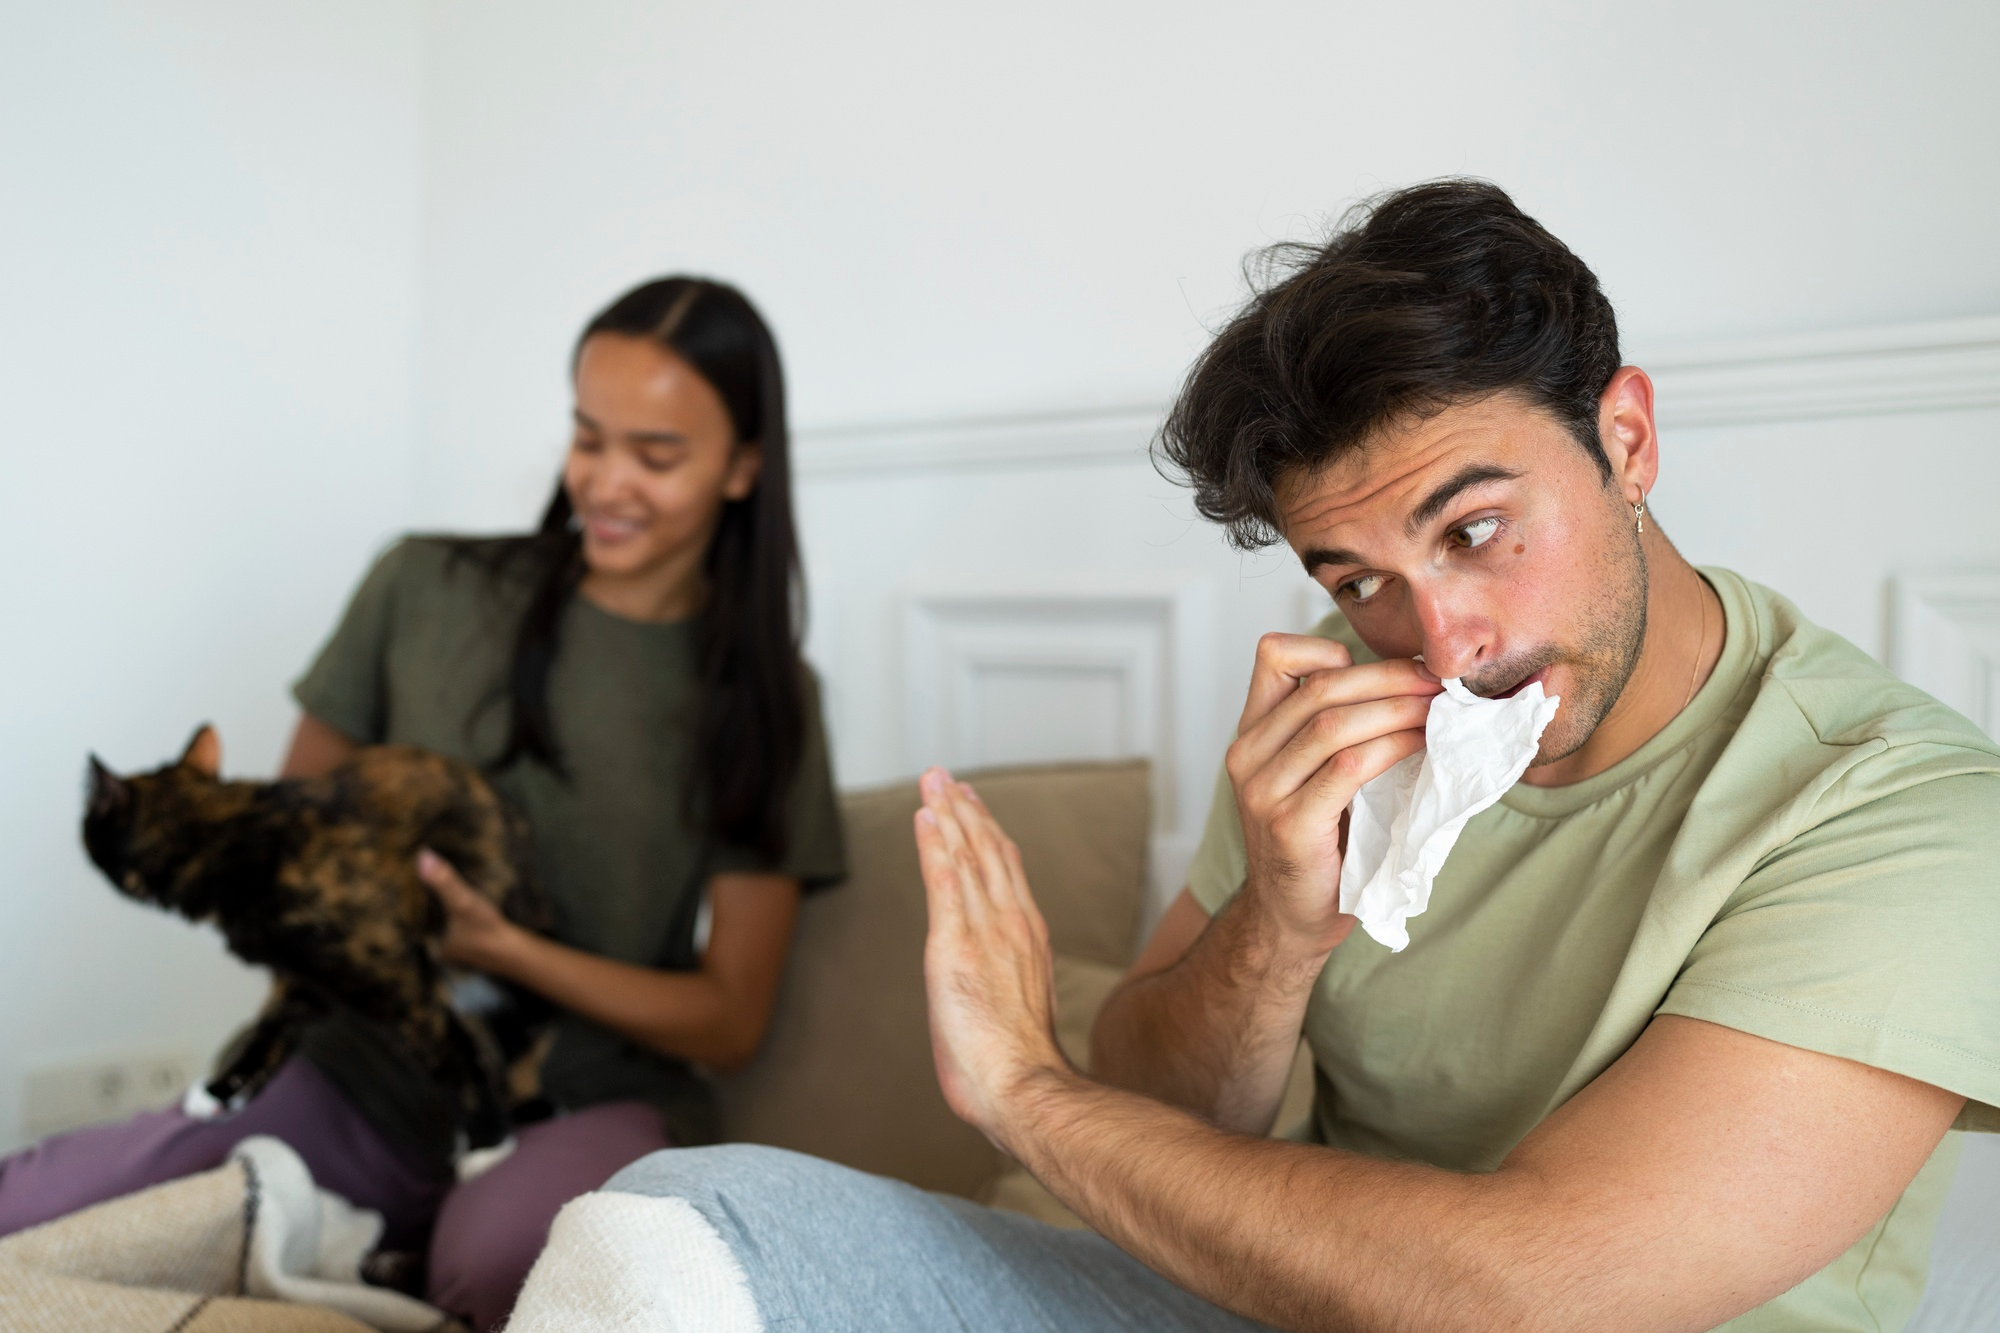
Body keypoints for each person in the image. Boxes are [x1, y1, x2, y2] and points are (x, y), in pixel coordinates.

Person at [585, 184, 2000, 1331]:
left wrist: (1024, 1088)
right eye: (1355, 573)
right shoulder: (1349, 684)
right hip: (1260, 1299)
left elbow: (1529, 1293)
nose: (1440, 641)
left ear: (1624, 438)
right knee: (664, 1231)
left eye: (1476, 530)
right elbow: (1168, 1106)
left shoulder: (1905, 813)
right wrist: (1275, 917)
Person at [0, 276, 846, 1330]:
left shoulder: (768, 703)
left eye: (656, 455)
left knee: (502, 1266)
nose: (605, 481)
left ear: (743, 467)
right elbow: (297, 848)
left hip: (576, 1095)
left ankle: (376, 1247)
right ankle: (350, 1236)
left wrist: (506, 952)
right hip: (362, 1070)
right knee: (31, 1208)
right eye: (587, 437)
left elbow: (727, 1019)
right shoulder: (422, 587)